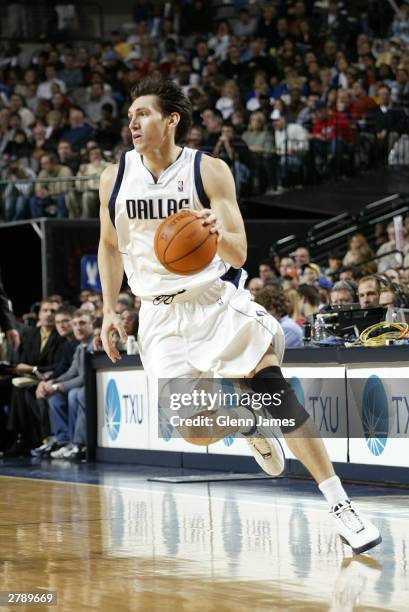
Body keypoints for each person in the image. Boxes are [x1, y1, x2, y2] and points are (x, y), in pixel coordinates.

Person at [98, 76, 381, 555]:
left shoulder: (208, 171)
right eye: (130, 117)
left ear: (172, 120)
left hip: (211, 298)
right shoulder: (115, 176)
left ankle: (341, 506)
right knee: (190, 428)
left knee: (272, 388)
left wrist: (213, 230)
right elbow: (108, 246)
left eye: (143, 114)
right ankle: (248, 423)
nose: (133, 123)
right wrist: (108, 308)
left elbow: (239, 248)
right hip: (159, 317)